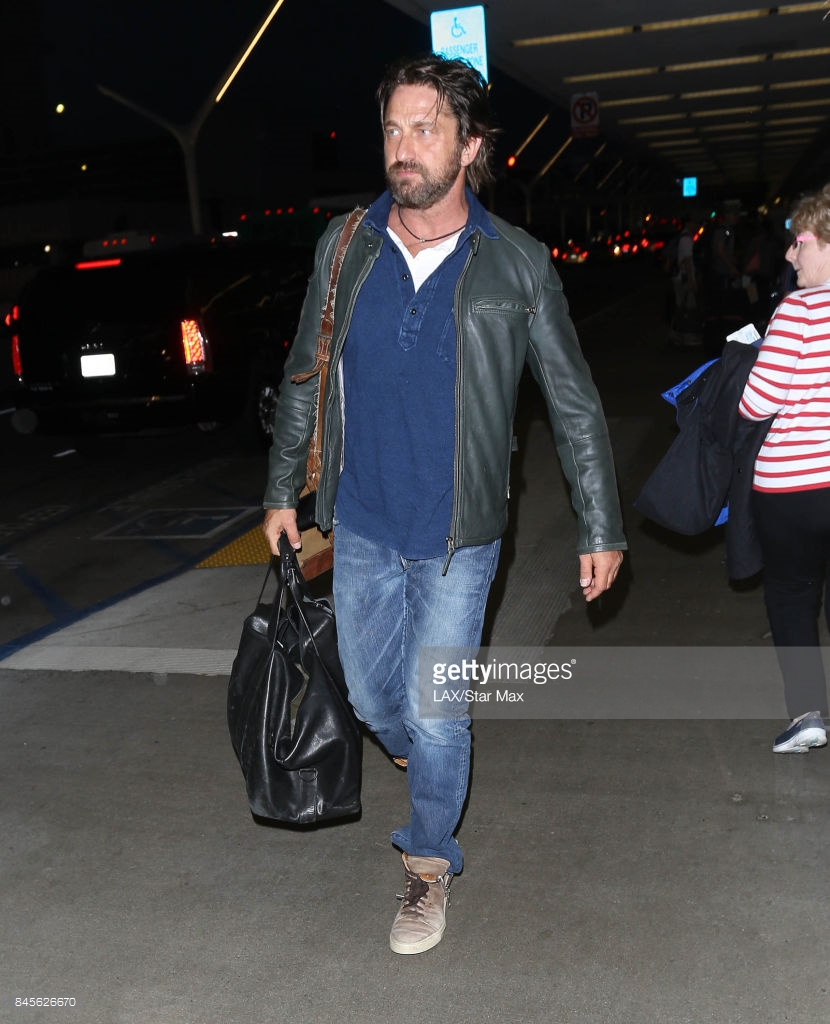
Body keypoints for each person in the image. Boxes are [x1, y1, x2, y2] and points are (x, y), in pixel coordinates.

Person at [262, 54, 626, 954]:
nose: (404, 145)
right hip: (362, 519)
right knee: (372, 694)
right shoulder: (346, 247)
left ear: (470, 146)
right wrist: (280, 492)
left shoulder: (519, 264)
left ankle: (427, 864)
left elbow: (574, 403)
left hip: (462, 531)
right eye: (393, 128)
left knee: (437, 709)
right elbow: (305, 373)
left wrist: (601, 524)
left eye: (425, 128)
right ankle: (422, 752)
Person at [739, 184, 830, 754]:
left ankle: (808, 716)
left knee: (793, 594)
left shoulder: (797, 309)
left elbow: (757, 402)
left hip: (792, 487)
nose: (791, 255)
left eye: (801, 242)